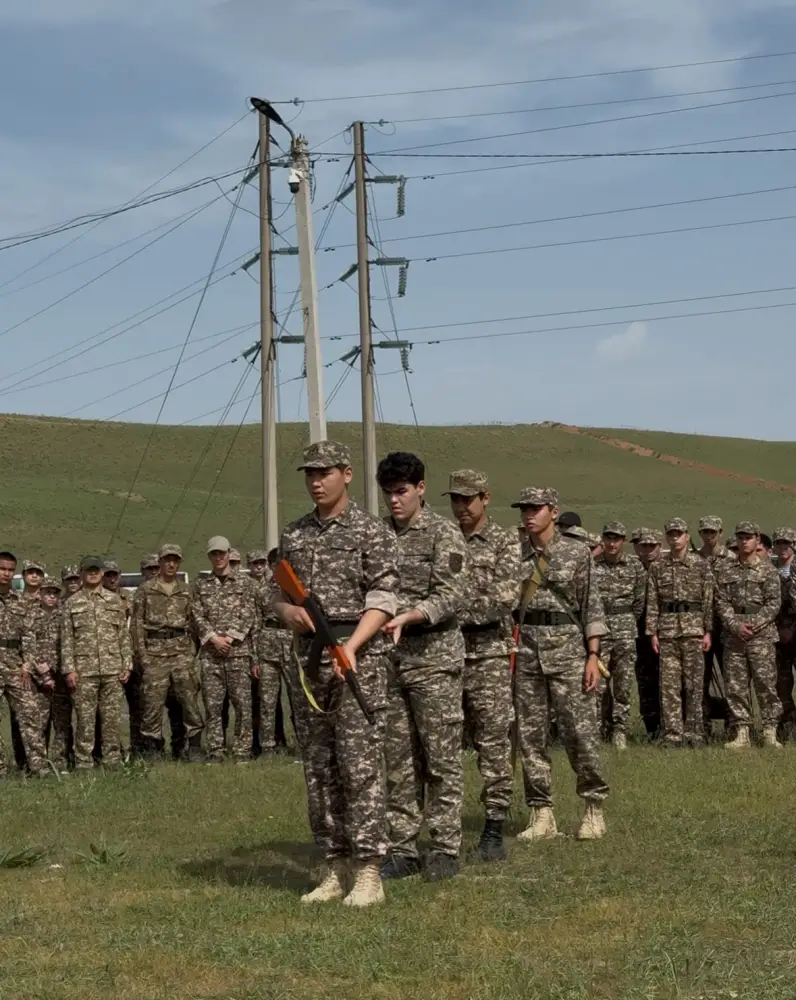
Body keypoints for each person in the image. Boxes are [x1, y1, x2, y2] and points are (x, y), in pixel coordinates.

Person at [272, 440, 399, 907]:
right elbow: (276, 592)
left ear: (347, 474)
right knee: (319, 768)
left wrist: (353, 645)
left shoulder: (371, 531)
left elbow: (384, 597)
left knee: (360, 765)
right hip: (308, 659)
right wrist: (286, 612)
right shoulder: (295, 534)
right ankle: (335, 867)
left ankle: (369, 871)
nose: (315, 481)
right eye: (309, 473)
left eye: (324, 472)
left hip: (356, 658)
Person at [377, 451, 467, 882]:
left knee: (441, 757)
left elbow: (452, 595)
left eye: (401, 492)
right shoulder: (377, 537)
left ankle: (446, 846)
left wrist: (411, 615)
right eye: (388, 493)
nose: (394, 501)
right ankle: (402, 847)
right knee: (397, 759)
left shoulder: (443, 534)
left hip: (433, 657)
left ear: (420, 489)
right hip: (390, 661)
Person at [511, 487, 608, 842]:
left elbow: (592, 606)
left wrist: (593, 656)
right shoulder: (515, 554)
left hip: (568, 649)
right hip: (527, 651)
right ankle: (542, 813)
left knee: (579, 733)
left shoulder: (577, 552)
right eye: (524, 509)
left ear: (554, 511)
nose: (528, 514)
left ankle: (593, 809)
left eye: (535, 508)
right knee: (530, 736)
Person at [446, 469, 519, 862]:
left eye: (467, 499)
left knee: (493, 745)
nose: (460, 507)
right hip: (447, 653)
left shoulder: (505, 542)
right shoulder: (443, 538)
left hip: (488, 654)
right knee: (442, 746)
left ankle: (493, 829)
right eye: (455, 499)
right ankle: (445, 830)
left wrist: (445, 611)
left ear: (485, 498)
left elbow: (502, 597)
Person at [131, 544, 204, 762]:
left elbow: (194, 623)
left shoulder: (186, 590)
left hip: (181, 652)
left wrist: (191, 653)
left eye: (175, 560)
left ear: (179, 563)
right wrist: (142, 657)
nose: (171, 564)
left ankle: (194, 748)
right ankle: (153, 749)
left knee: (189, 701)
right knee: (152, 704)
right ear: (160, 562)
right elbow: (136, 625)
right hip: (154, 654)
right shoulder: (146, 589)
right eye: (167, 560)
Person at [645, 519, 713, 748]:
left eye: (679, 534)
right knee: (669, 686)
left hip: (694, 629)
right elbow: (652, 600)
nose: (675, 538)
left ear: (686, 535)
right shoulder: (658, 566)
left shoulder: (701, 564)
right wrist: (652, 631)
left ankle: (694, 732)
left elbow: (708, 600)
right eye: (671, 534)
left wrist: (708, 631)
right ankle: (673, 733)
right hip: (667, 631)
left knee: (694, 684)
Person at [61, 555, 132, 770]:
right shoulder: (71, 603)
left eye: (96, 570)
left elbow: (123, 636)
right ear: (81, 574)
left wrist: (127, 664)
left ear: (102, 573)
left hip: (112, 670)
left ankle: (112, 760)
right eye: (88, 570)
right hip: (84, 672)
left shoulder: (114, 601)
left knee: (111, 720)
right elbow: (66, 639)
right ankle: (83, 762)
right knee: (85, 721)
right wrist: (69, 670)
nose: (93, 573)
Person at [715, 522, 782, 749]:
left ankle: (770, 731)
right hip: (734, 636)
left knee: (765, 684)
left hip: (761, 636)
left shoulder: (768, 570)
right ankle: (742, 731)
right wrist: (735, 625)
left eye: (749, 537)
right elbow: (721, 601)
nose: (744, 541)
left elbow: (774, 603)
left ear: (757, 541)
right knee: (736, 685)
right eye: (741, 537)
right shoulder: (726, 570)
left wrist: (756, 624)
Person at [191, 536, 257, 763]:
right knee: (213, 706)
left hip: (237, 652)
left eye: (222, 553)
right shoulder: (201, 585)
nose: (218, 557)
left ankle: (241, 751)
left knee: (242, 705)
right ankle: (216, 751)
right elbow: (197, 615)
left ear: (229, 554)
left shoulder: (246, 584)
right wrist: (213, 639)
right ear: (209, 556)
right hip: (211, 655)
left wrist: (229, 638)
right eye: (214, 554)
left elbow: (249, 613)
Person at [592, 522, 646, 750]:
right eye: (608, 538)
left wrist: (626, 621)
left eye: (616, 539)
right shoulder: (592, 566)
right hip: (600, 632)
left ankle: (620, 729)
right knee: (598, 686)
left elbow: (639, 601)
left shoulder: (635, 567)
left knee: (623, 684)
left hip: (625, 631)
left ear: (623, 541)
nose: (612, 543)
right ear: (603, 540)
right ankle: (598, 730)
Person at [0, 550, 50, 777]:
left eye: (10, 570)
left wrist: (27, 664)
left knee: (30, 713)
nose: (6, 574)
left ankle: (38, 767)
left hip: (15, 666)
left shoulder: (20, 603)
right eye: (2, 569)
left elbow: (29, 637)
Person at [697, 516, 733, 735]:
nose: (709, 536)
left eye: (713, 532)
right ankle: (703, 725)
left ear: (720, 532)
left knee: (732, 678)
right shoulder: (694, 558)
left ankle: (734, 725)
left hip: (726, 626)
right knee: (700, 678)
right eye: (705, 532)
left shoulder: (731, 558)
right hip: (700, 628)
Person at [633, 528, 663, 738]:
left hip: (667, 633)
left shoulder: (666, 568)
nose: (648, 550)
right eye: (644, 546)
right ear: (637, 548)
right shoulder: (633, 569)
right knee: (646, 681)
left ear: (660, 547)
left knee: (670, 681)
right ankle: (652, 727)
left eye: (652, 546)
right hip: (639, 635)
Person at [29, 577, 62, 767]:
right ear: (40, 594)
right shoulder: (32, 617)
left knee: (61, 723)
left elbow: (68, 646)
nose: (51, 596)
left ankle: (59, 762)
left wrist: (54, 669)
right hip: (38, 680)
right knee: (39, 723)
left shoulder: (63, 617)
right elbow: (27, 646)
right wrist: (41, 673)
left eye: (55, 593)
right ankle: (38, 763)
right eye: (47, 592)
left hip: (60, 678)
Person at [773, 527, 796, 737]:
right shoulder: (770, 570)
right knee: (781, 684)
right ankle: (787, 727)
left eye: (786, 544)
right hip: (778, 636)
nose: (782, 548)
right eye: (778, 543)